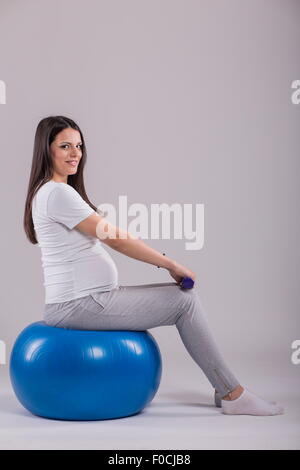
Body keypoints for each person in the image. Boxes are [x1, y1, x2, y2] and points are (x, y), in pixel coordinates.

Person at [23, 115, 284, 416]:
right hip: (78, 304)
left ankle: (224, 390)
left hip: (85, 299)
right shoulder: (57, 193)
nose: (75, 153)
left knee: (182, 299)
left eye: (78, 145)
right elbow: (116, 239)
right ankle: (232, 394)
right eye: (65, 146)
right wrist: (169, 263)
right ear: (47, 150)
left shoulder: (51, 192)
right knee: (183, 302)